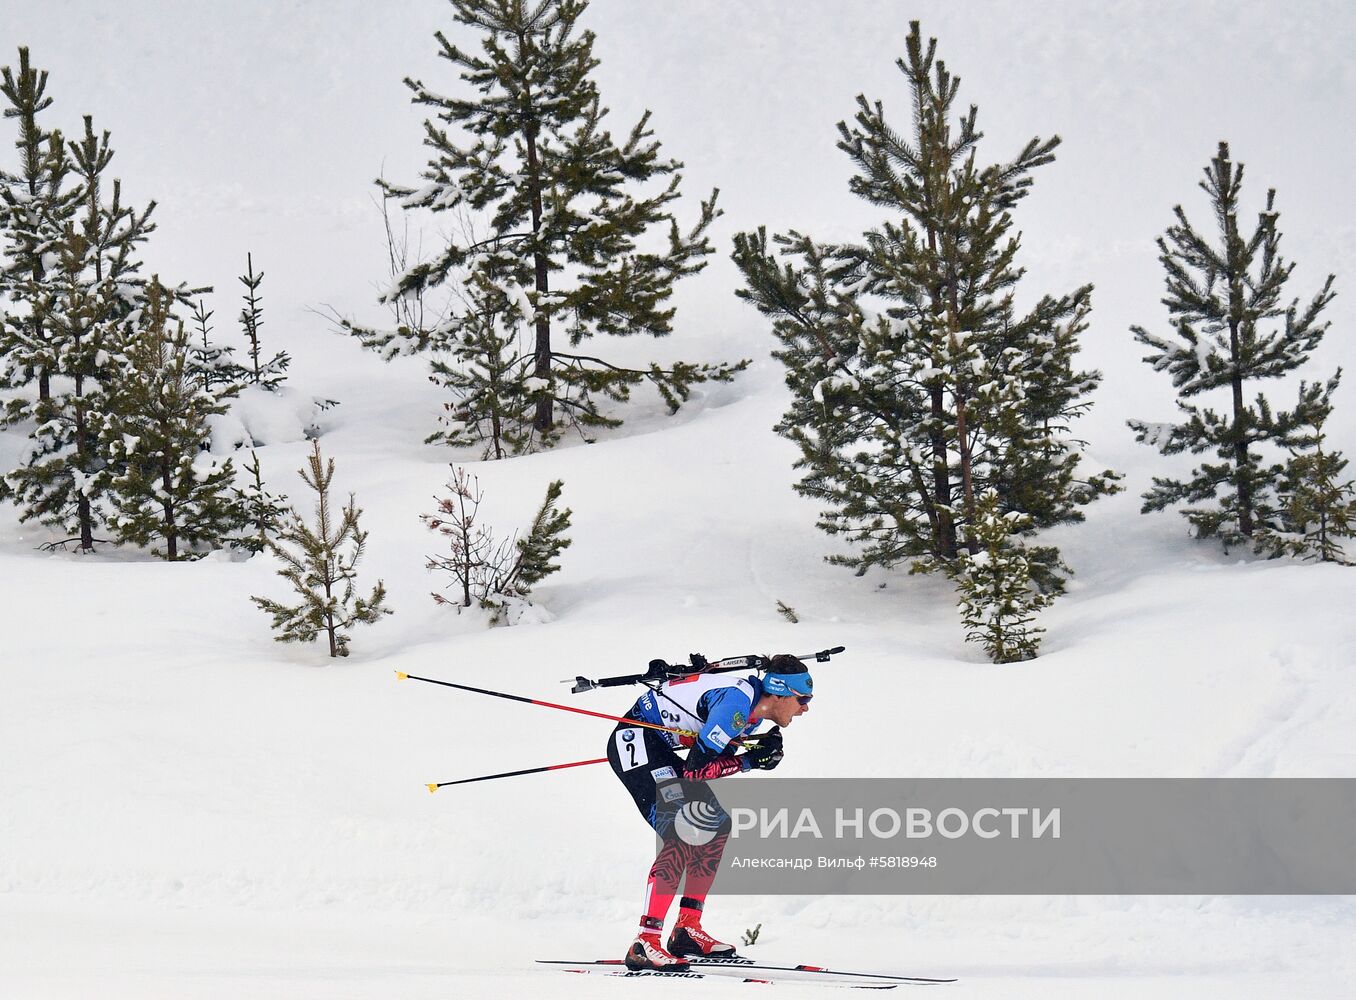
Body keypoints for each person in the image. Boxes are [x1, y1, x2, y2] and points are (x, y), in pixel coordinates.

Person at [606, 653, 814, 972]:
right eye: (803, 699)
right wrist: (749, 762)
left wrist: (752, 752)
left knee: (716, 827)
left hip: (659, 747)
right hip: (635, 740)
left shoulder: (752, 717)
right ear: (780, 693)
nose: (805, 708)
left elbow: (712, 762)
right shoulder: (736, 704)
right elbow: (697, 770)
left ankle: (687, 929)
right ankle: (645, 941)